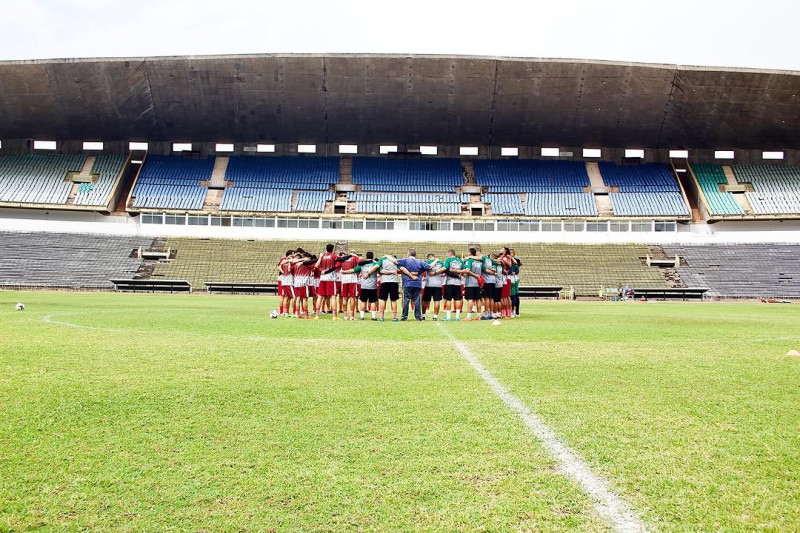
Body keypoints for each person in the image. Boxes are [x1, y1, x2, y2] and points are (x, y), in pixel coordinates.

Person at [341, 252, 380, 320]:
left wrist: (344, 271)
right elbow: (380, 271)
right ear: (373, 257)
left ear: (366, 256)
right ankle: (373, 317)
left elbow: (353, 270)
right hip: (373, 286)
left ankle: (362, 317)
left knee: (363, 301)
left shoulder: (362, 264)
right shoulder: (375, 264)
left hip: (364, 286)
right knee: (373, 301)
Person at [397, 248, 430, 321]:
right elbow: (429, 267)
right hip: (417, 283)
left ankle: (404, 317)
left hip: (407, 283)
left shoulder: (405, 260)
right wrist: (419, 272)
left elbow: (395, 261)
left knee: (406, 300)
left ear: (408, 254)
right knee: (417, 300)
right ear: (416, 254)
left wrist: (387, 256)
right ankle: (418, 317)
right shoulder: (420, 261)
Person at [315, 244, 339, 320]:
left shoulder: (322, 256)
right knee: (333, 296)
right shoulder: (334, 256)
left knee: (320, 297)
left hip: (322, 278)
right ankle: (334, 316)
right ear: (333, 249)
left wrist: (320, 258)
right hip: (331, 278)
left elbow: (316, 266)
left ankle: (317, 315)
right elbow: (337, 265)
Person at [442, 249, 466, 321]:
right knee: (457, 299)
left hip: (449, 282)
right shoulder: (460, 261)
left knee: (448, 299)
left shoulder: (448, 260)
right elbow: (464, 270)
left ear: (449, 254)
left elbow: (445, 269)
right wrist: (458, 274)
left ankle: (448, 317)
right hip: (458, 283)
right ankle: (457, 317)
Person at [336, 250, 361, 320]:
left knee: (344, 297)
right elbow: (360, 263)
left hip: (344, 279)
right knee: (352, 297)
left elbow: (337, 266)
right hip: (352, 279)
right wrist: (356, 256)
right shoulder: (354, 258)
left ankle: (345, 316)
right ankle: (352, 316)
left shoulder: (343, 259)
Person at [463, 247, 484, 321]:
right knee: (478, 299)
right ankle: (478, 316)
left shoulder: (469, 260)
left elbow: (468, 270)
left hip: (470, 283)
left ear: (469, 252)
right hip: (478, 283)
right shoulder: (479, 262)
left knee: (470, 299)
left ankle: (468, 317)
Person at [422, 252, 445, 321]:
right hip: (438, 284)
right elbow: (444, 269)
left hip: (429, 284)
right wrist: (437, 272)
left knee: (425, 300)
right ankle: (435, 316)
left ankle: (423, 315)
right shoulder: (441, 263)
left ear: (428, 257)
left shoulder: (427, 262)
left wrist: (434, 272)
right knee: (437, 300)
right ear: (434, 256)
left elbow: (428, 268)